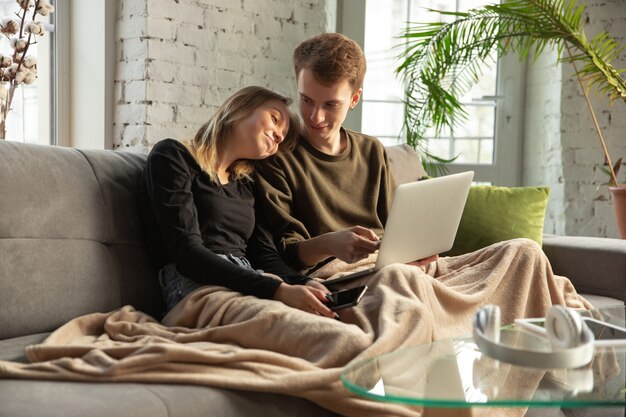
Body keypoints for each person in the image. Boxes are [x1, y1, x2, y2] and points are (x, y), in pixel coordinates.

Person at [141, 86, 335, 318]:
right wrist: (277, 290)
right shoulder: (173, 156)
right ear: (241, 107)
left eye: (281, 139)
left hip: (249, 280)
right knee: (295, 325)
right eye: (274, 119)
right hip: (195, 286)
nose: (277, 137)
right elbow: (187, 254)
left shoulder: (247, 186)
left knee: (324, 317)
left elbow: (264, 254)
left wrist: (302, 282)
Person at [255, 33, 436, 272]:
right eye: (306, 100)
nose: (315, 117)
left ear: (354, 99)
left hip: (389, 266)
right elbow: (287, 253)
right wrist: (330, 244)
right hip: (339, 272)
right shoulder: (277, 156)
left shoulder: (371, 151)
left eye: (331, 105)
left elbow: (397, 230)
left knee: (503, 254)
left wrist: (415, 251)